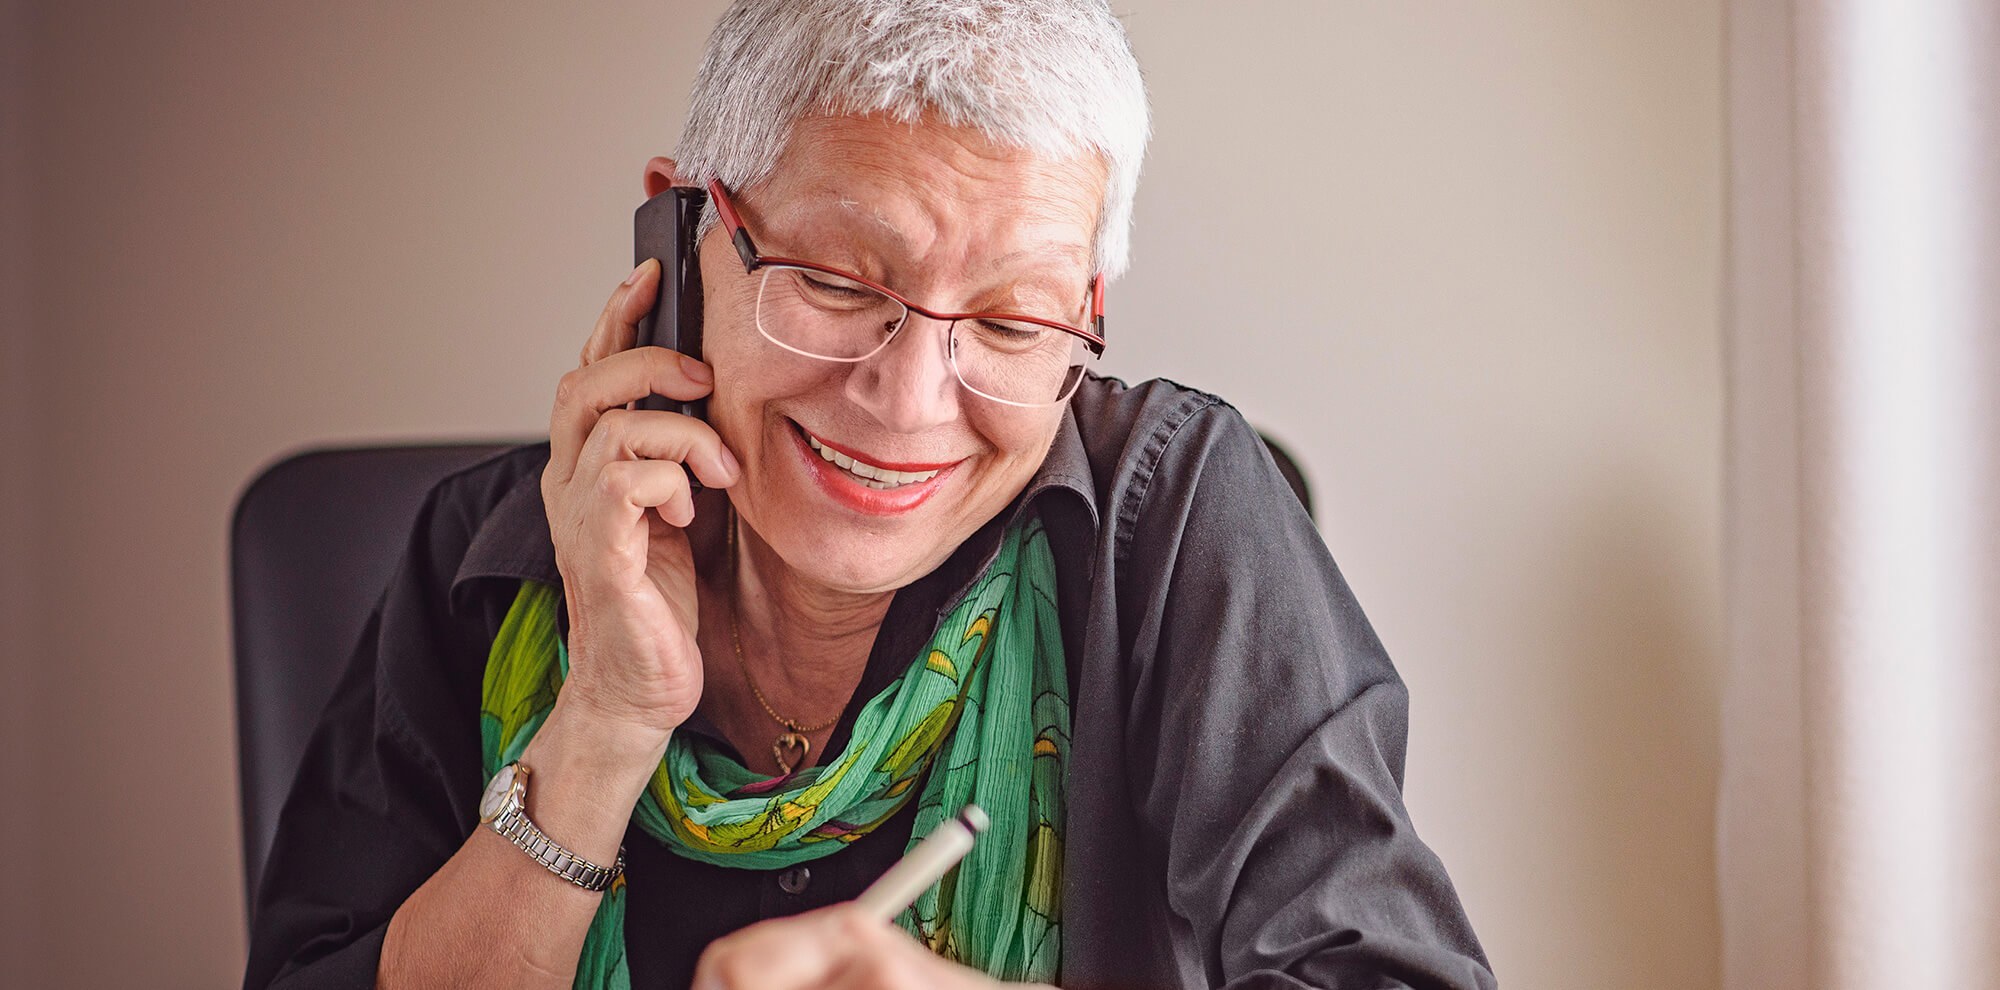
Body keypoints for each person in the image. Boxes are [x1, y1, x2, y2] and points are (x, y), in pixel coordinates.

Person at [243, 2, 1496, 988]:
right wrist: (603, 725)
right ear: (680, 238)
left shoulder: (1168, 517)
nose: (906, 402)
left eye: (1009, 320)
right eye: (838, 283)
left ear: (1085, 318)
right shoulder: (488, 551)